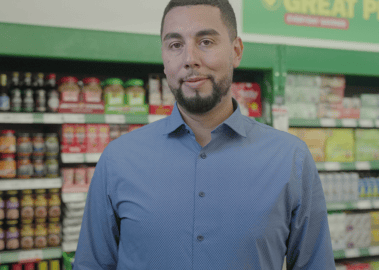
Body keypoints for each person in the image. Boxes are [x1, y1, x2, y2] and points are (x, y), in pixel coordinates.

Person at [73, 0, 335, 269]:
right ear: (164, 58)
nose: (190, 60)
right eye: (175, 45)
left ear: (236, 51)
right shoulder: (118, 160)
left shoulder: (291, 160)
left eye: (206, 42)